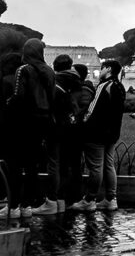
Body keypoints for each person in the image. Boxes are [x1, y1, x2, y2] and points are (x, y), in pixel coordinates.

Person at [6, 39, 57, 216]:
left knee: (14, 165)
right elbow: (52, 98)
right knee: (32, 166)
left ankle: (12, 207)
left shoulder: (23, 70)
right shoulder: (49, 71)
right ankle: (26, 206)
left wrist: (7, 104)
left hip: (23, 123)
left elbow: (18, 97)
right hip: (42, 124)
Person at [81, 59, 126, 211]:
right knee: (108, 164)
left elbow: (91, 109)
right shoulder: (120, 86)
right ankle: (111, 198)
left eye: (102, 69)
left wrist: (84, 124)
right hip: (113, 132)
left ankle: (89, 199)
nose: (100, 72)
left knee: (96, 167)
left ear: (108, 69)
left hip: (98, 132)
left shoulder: (104, 85)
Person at [52, 53, 90, 212]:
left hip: (60, 127)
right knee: (75, 165)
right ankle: (73, 198)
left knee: (59, 165)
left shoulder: (55, 82)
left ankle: (58, 199)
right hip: (77, 128)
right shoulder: (81, 84)